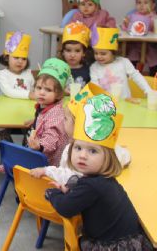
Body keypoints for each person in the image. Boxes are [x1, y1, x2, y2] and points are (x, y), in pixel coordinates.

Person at [45, 90, 152, 250]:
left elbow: (65, 208)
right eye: (78, 148)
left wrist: (53, 193)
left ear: (107, 158)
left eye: (93, 151)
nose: (83, 155)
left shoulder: (91, 185)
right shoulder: (103, 180)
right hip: (128, 238)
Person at [30, 83, 131, 185]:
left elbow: (65, 176)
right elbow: (125, 156)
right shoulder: (108, 149)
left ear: (77, 125)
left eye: (65, 119)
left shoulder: (71, 150)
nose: (83, 155)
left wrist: (47, 171)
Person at [24, 58, 71, 166]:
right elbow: (46, 119)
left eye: (48, 90)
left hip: (48, 161)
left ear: (59, 94)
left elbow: (51, 141)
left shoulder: (55, 115)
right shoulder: (45, 106)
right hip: (40, 152)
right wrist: (36, 120)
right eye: (39, 88)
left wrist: (39, 146)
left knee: (13, 160)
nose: (41, 93)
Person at [89, 27, 152, 100]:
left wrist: (148, 90)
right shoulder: (94, 67)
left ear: (114, 52)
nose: (98, 56)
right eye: (96, 53)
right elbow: (95, 86)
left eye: (103, 54)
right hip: (106, 104)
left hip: (126, 103)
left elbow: (136, 76)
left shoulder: (124, 62)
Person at [121, 0, 157, 75]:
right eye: (139, 2)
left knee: (154, 61)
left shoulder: (153, 16)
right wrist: (126, 23)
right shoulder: (132, 15)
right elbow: (125, 28)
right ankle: (130, 77)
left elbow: (154, 28)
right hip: (135, 45)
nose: (141, 5)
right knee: (130, 60)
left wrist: (151, 21)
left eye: (145, 3)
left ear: (153, 5)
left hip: (149, 46)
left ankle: (153, 78)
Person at [0, 31, 35, 99]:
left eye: (24, 59)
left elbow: (34, 91)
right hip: (6, 107)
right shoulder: (2, 75)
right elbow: (8, 91)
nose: (20, 61)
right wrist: (28, 95)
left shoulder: (28, 74)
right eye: (16, 57)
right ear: (6, 58)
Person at [58, 22, 93, 88]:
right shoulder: (58, 69)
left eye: (77, 51)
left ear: (84, 53)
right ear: (63, 52)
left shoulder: (88, 71)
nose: (72, 55)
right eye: (68, 50)